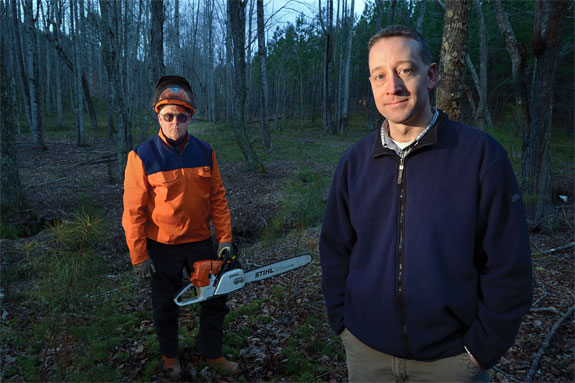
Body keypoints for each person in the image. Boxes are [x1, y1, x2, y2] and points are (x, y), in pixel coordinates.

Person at [319, 25, 533, 382]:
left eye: (406, 70)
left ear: (430, 74)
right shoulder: (354, 162)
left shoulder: (480, 157)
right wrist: (342, 324)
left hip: (451, 361)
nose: (393, 87)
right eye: (380, 75)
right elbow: (335, 249)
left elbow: (509, 265)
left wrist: (481, 351)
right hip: (367, 355)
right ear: (371, 83)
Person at [122, 75, 239, 377]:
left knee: (215, 298)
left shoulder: (205, 151)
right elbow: (133, 212)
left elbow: (218, 199)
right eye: (168, 116)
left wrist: (224, 238)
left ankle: (211, 353)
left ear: (190, 117)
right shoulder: (141, 156)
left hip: (200, 241)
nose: (175, 122)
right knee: (165, 306)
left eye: (181, 116)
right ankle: (170, 358)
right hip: (161, 246)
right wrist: (139, 255)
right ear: (158, 115)